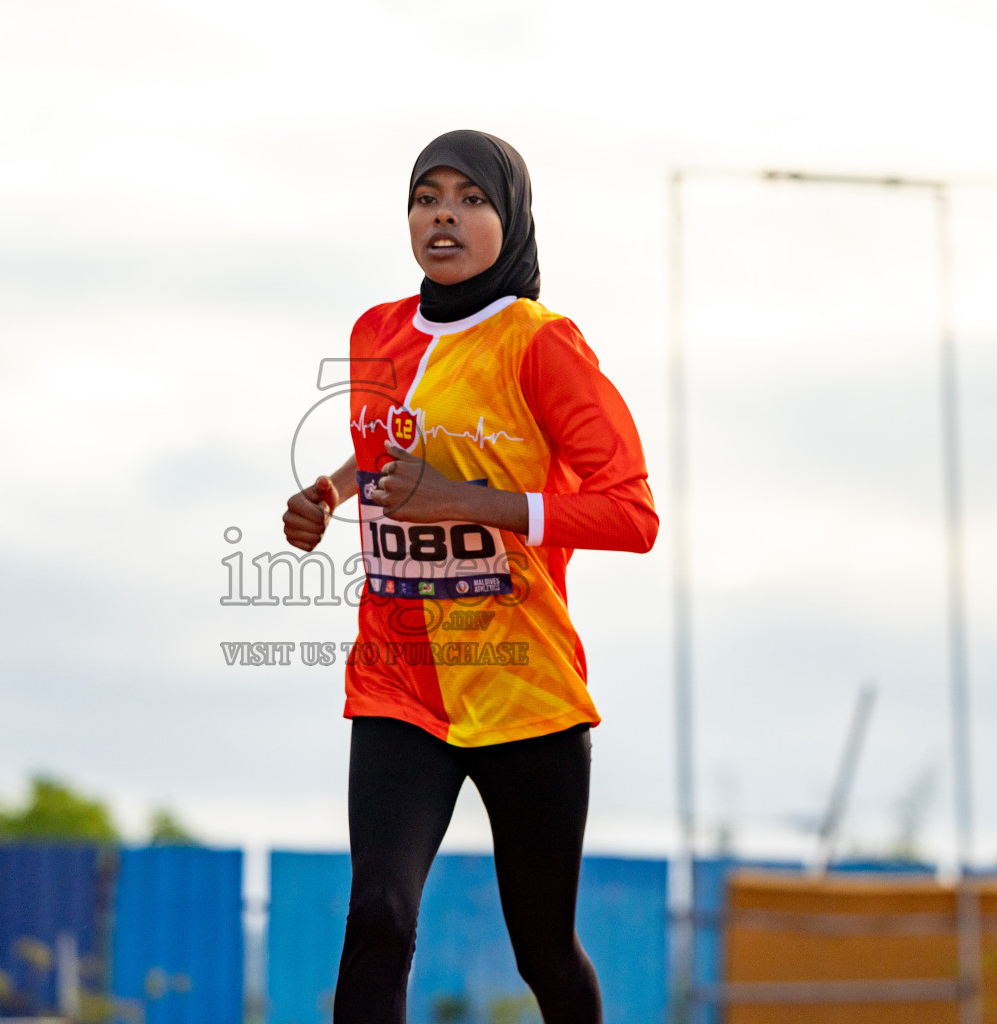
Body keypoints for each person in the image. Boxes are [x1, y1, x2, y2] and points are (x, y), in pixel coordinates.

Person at [281, 129, 658, 1024]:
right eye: (425, 196)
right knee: (376, 915)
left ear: (510, 216)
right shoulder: (375, 333)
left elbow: (632, 515)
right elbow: (390, 443)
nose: (443, 214)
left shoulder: (541, 345)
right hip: (399, 681)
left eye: (470, 198)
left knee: (543, 951)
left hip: (524, 692)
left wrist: (469, 500)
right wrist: (331, 492)